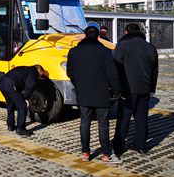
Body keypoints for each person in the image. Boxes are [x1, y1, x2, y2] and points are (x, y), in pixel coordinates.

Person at [67, 22, 122, 164]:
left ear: (85, 35)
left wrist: (79, 85)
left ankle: (85, 153)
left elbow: (70, 73)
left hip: (83, 94)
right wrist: (116, 91)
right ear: (98, 36)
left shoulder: (73, 52)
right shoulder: (105, 51)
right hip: (101, 94)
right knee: (103, 124)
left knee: (84, 123)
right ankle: (106, 155)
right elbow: (112, 74)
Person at [113, 23, 158, 156]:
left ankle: (119, 145)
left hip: (127, 88)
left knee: (124, 117)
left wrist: (116, 88)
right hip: (144, 88)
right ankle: (141, 146)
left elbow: (115, 68)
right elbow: (154, 71)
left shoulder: (122, 46)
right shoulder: (150, 47)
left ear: (126, 32)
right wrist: (151, 89)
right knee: (141, 117)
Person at [0, 65, 45, 136]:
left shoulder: (24, 69)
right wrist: (25, 99)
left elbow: (20, 83)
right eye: (41, 74)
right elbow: (30, 87)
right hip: (11, 84)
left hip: (2, 83)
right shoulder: (33, 72)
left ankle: (10, 126)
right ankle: (21, 129)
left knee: (10, 105)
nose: (40, 76)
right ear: (39, 70)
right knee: (22, 107)